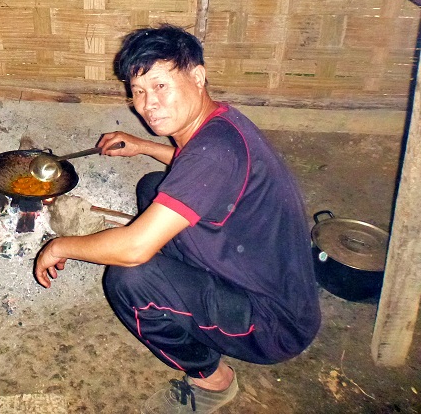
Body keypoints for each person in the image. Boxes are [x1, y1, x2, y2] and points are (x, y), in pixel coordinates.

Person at [33, 24, 321, 413]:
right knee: (154, 186)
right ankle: (182, 283)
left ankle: (213, 382)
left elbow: (134, 249)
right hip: (260, 275)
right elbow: (197, 171)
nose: (148, 103)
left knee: (130, 278)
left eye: (160, 86)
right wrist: (143, 146)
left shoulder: (214, 154)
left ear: (197, 76)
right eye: (137, 92)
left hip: (271, 324)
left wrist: (60, 245)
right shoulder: (221, 124)